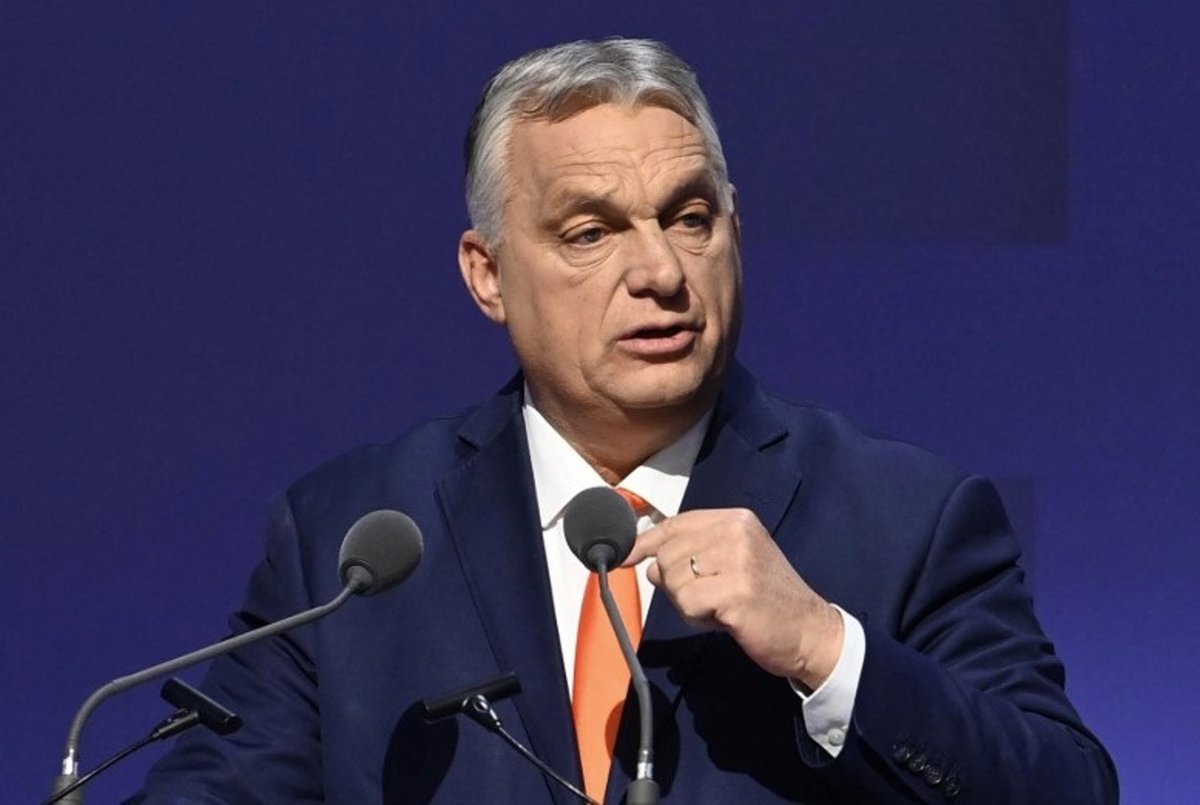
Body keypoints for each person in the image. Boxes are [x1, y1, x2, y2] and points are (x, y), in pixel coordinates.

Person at [131, 38, 1117, 803]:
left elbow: (1068, 788)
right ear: (487, 274)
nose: (660, 272)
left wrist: (826, 647)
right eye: (590, 232)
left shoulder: (908, 516)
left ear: (735, 227)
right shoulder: (350, 541)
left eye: (689, 218)